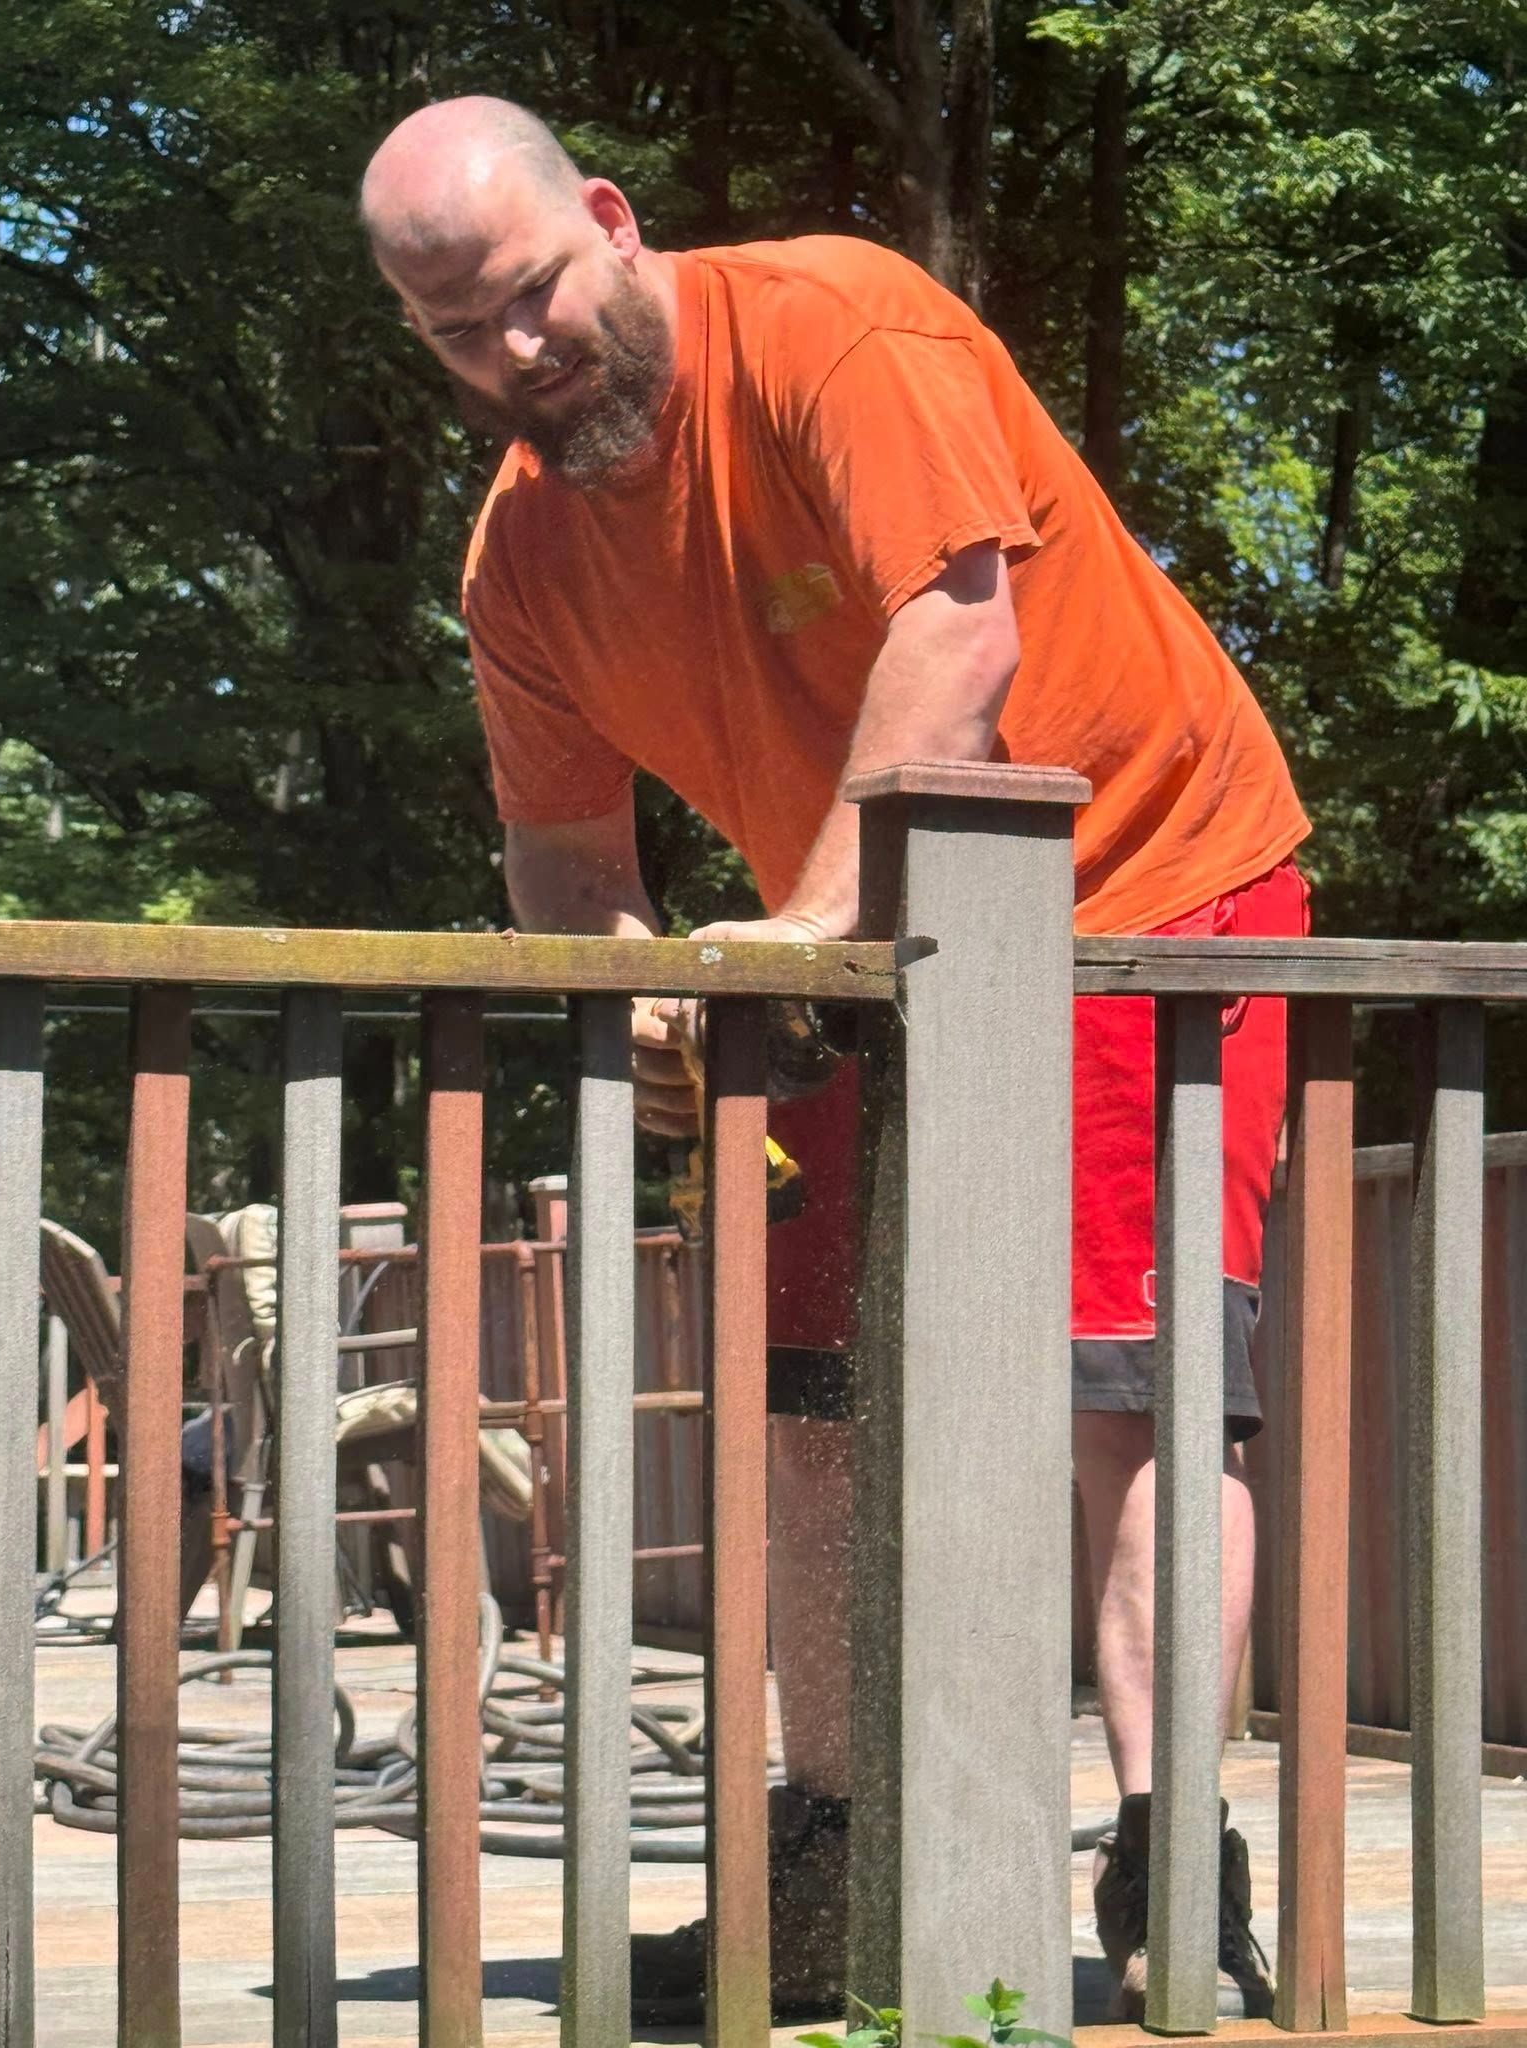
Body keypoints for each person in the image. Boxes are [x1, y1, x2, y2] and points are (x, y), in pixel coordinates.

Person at [359, 96, 1309, 2025]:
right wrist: (626, 983)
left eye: (532, 296)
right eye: (460, 334)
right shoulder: (521, 564)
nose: (514, 353)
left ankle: (1169, 1859)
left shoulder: (832, 328)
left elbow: (958, 641)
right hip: (844, 946)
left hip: (1140, 880)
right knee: (803, 1393)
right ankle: (828, 1851)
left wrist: (782, 945)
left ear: (612, 222)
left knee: (1128, 1375)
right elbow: (561, 854)